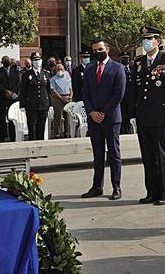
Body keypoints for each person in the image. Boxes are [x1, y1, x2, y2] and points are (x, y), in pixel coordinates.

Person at [131, 26, 165, 206]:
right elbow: (134, 90)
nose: (146, 42)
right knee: (148, 156)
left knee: (162, 156)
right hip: (144, 116)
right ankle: (151, 191)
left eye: (149, 39)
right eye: (144, 39)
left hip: (161, 117)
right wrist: (133, 114)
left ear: (158, 41)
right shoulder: (138, 62)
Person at [81, 38, 127, 200]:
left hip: (111, 118)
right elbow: (85, 92)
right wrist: (92, 112)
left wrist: (104, 113)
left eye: (100, 49)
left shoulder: (117, 68)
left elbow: (119, 93)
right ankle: (97, 186)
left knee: (114, 154)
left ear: (107, 49)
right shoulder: (89, 68)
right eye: (95, 50)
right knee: (97, 153)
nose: (97, 52)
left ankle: (116, 187)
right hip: (94, 118)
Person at [21, 52, 50, 140]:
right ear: (32, 61)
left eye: (39, 59)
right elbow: (23, 90)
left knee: (41, 127)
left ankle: (41, 146)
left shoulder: (46, 74)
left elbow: (48, 90)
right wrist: (22, 105)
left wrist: (50, 104)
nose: (37, 61)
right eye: (35, 60)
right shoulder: (26, 74)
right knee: (32, 127)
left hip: (43, 104)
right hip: (31, 105)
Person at [0, 56, 20, 143]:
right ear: (2, 62)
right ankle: (1, 137)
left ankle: (13, 136)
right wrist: (5, 91)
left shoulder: (16, 71)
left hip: (12, 98)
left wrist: (12, 92)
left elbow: (18, 83)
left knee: (12, 118)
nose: (6, 61)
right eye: (5, 60)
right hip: (2, 97)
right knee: (2, 119)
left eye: (8, 60)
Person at [49, 63, 72, 138]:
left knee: (68, 116)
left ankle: (67, 132)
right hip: (58, 99)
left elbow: (70, 87)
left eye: (61, 69)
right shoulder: (53, 79)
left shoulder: (67, 76)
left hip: (68, 97)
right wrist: (61, 98)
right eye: (58, 69)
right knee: (58, 116)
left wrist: (70, 96)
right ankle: (57, 133)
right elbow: (53, 90)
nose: (60, 71)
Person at [120, 54, 134, 134]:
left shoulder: (132, 69)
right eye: (124, 59)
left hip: (130, 96)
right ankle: (122, 129)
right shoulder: (119, 69)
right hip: (122, 97)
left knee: (129, 114)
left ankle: (128, 128)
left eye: (127, 59)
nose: (126, 60)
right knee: (122, 113)